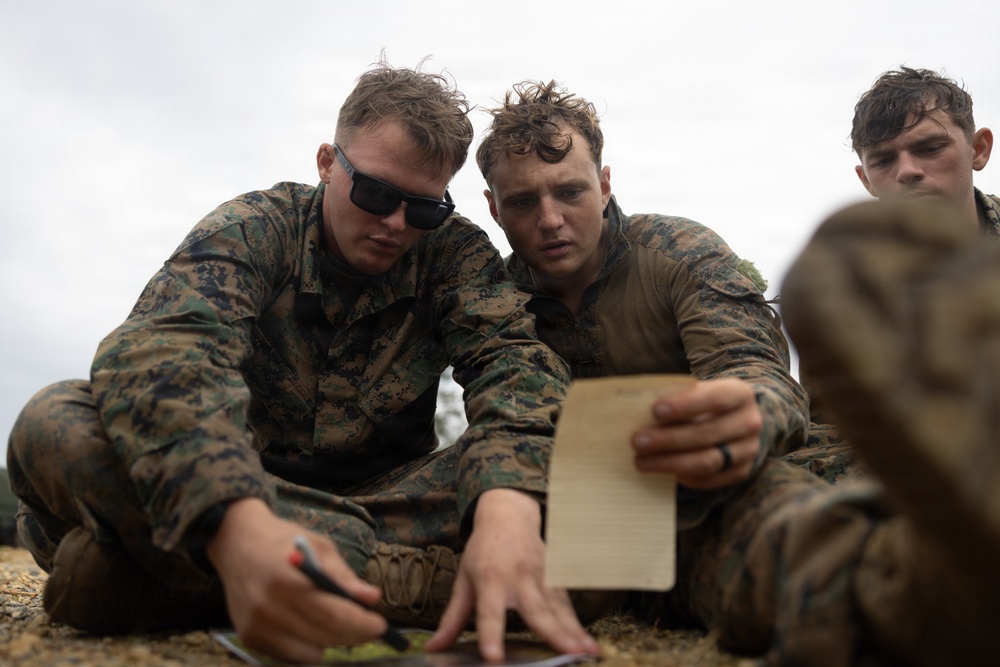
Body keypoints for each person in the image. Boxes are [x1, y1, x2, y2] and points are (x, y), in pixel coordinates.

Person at [6, 61, 602, 665]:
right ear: (326, 163)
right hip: (235, 487)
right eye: (376, 193)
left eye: (422, 209)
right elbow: (167, 353)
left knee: (554, 465)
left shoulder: (452, 253)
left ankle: (168, 581)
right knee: (55, 422)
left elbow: (516, 365)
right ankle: (406, 586)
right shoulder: (255, 229)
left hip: (388, 501)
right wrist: (237, 526)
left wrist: (505, 503)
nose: (396, 224)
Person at [476, 80, 998, 666]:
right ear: (494, 209)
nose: (550, 220)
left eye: (569, 191)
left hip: (736, 483)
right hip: (597, 504)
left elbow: (756, 373)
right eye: (522, 202)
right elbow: (503, 409)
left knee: (821, 512)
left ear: (602, 187)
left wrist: (746, 414)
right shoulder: (493, 300)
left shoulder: (679, 253)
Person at [787, 65, 998, 484]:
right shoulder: (844, 291)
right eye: (884, 160)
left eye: (930, 148)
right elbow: (828, 436)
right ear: (866, 180)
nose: (907, 172)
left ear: (978, 149)